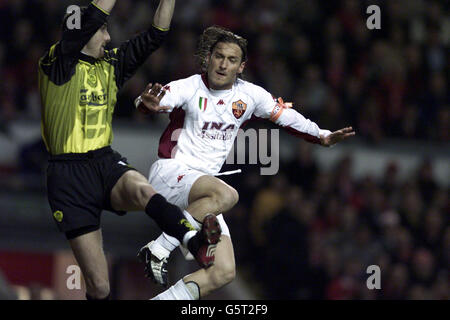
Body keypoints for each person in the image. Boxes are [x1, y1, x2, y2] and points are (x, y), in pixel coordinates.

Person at [135, 26, 355, 300]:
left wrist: (321, 135)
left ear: (241, 66)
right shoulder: (189, 86)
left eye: (230, 59)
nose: (222, 64)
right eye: (218, 56)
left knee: (224, 272)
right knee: (227, 194)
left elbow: (287, 117)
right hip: (171, 173)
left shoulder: (250, 96)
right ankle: (159, 248)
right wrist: (145, 104)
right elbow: (154, 100)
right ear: (209, 58)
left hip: (203, 191)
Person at [38, 0, 221, 300]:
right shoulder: (57, 63)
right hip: (68, 177)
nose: (108, 37)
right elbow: (94, 14)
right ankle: (188, 236)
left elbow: (157, 34)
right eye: (102, 31)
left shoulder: (112, 63)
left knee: (142, 190)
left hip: (104, 161)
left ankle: (193, 239)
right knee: (99, 287)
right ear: (84, 33)